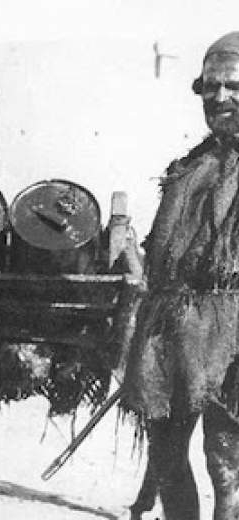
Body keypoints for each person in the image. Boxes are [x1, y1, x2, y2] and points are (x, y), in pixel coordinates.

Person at [122, 31, 239, 520]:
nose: (220, 97)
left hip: (233, 333)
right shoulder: (189, 166)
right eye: (210, 87)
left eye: (233, 86)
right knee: (166, 457)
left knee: (227, 463)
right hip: (171, 329)